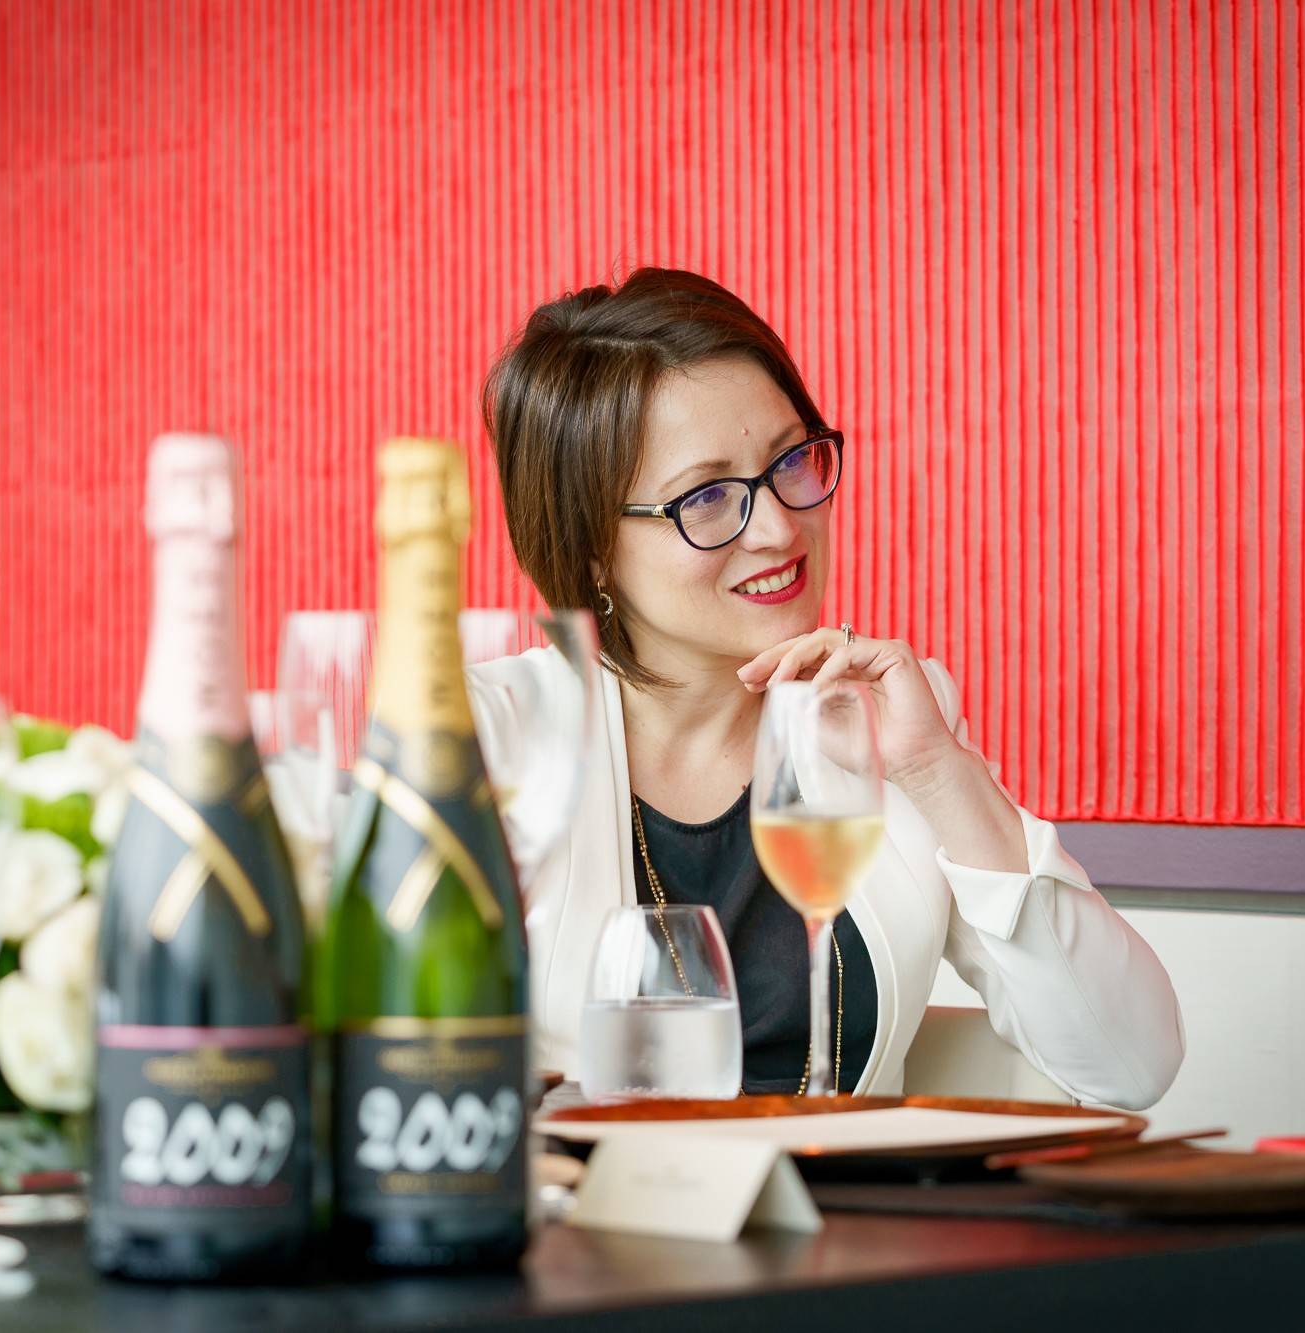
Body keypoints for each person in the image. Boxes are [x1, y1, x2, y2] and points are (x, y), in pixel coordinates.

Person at [472, 268, 1182, 1109]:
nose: (780, 526)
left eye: (790, 461)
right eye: (708, 497)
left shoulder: (885, 722)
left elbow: (1130, 1063)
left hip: (839, 1196)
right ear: (592, 549)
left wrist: (938, 772)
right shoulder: (486, 742)